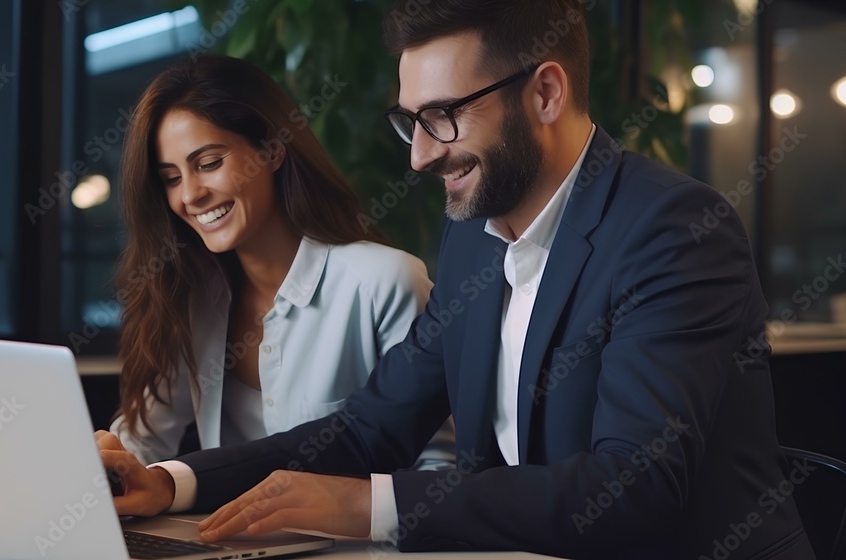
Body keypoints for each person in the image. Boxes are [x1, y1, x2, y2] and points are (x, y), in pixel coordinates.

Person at [97, 2, 815, 558]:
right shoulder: (473, 239)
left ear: (545, 93)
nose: (417, 158)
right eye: (410, 122)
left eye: (441, 118)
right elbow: (368, 427)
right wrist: (173, 482)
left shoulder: (674, 232)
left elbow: (633, 487)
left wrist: (369, 507)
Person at [106, 56, 455, 472]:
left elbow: (439, 466)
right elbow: (142, 444)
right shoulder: (191, 295)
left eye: (209, 163)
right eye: (171, 178)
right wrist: (108, 463)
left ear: (272, 150)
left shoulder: (383, 282)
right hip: (221, 535)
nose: (190, 195)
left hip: (360, 539)